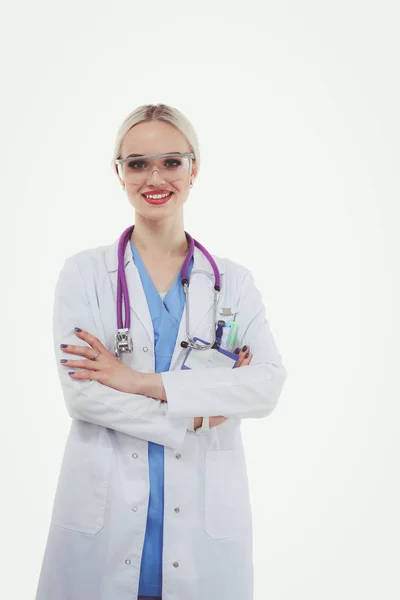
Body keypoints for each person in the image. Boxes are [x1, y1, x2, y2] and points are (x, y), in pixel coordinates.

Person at [35, 103, 288, 600]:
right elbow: (83, 396)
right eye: (137, 163)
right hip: (105, 510)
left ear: (195, 169)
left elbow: (266, 385)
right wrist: (197, 413)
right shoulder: (85, 275)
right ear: (119, 173)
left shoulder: (232, 282)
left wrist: (138, 381)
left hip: (202, 516)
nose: (155, 177)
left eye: (172, 161)